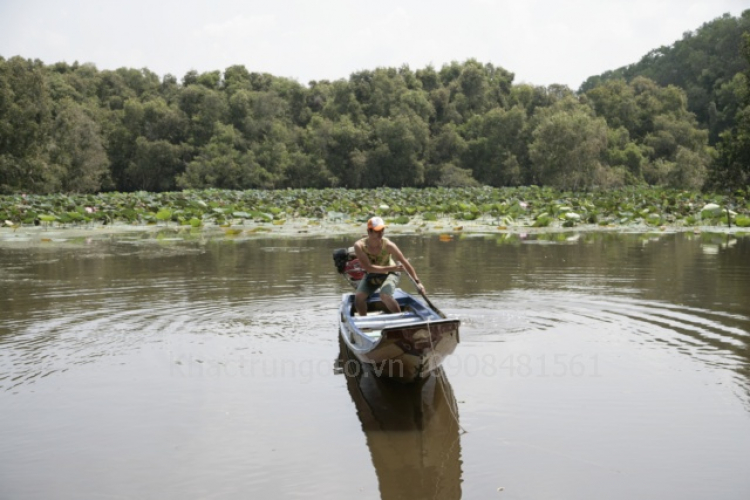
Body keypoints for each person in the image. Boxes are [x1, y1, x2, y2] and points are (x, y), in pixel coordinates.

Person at [353, 216, 425, 316]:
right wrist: (393, 268)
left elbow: (405, 262)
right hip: (373, 274)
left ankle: (400, 319)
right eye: (377, 230)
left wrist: (418, 283)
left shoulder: (389, 245)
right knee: (358, 298)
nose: (380, 233)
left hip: (390, 274)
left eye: (382, 230)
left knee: (385, 295)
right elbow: (368, 268)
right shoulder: (359, 246)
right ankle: (364, 323)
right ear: (369, 231)